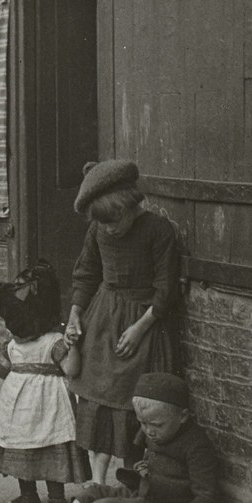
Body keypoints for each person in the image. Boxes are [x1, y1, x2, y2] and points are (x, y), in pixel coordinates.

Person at [8, 372, 219, 503]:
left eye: (156, 425)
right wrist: (144, 469)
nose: (149, 431)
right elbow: (154, 460)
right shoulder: (158, 433)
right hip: (147, 496)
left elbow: (206, 494)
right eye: (143, 423)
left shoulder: (196, 446)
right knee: (93, 492)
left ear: (182, 417)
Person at [64, 160, 180, 485]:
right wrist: (75, 311)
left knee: (132, 402)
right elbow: (86, 272)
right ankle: (97, 481)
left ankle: (134, 477)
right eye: (103, 223)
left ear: (130, 204)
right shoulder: (99, 229)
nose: (110, 228)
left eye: (115, 220)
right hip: (103, 321)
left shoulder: (158, 230)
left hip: (142, 325)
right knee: (97, 398)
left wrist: (140, 328)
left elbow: (166, 289)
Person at [0, 260, 88, 503]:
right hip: (17, 407)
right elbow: (9, 371)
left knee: (47, 446)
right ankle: (28, 494)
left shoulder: (53, 342)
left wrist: (73, 346)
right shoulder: (12, 345)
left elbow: (71, 370)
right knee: (21, 447)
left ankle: (55, 499)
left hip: (48, 405)